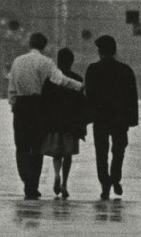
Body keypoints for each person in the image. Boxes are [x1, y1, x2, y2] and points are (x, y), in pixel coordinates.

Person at [8, 32, 83, 199]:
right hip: (37, 107)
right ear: (44, 46)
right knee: (36, 146)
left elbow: (12, 86)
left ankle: (26, 179)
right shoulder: (46, 62)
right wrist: (80, 86)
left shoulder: (17, 61)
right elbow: (61, 80)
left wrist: (14, 103)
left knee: (21, 146)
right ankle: (32, 185)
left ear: (30, 43)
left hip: (20, 106)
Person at [84, 35, 138, 200]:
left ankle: (105, 183)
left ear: (100, 52)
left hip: (100, 118)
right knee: (118, 150)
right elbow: (132, 97)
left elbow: (89, 96)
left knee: (101, 152)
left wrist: (87, 117)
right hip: (119, 119)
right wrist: (132, 120)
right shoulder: (126, 70)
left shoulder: (92, 69)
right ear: (114, 51)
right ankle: (115, 178)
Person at [40, 47, 87, 199]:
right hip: (70, 123)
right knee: (68, 154)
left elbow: (44, 101)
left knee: (57, 153)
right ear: (71, 62)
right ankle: (65, 183)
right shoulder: (77, 79)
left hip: (54, 122)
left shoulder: (50, 79)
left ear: (58, 61)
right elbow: (81, 103)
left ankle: (56, 175)